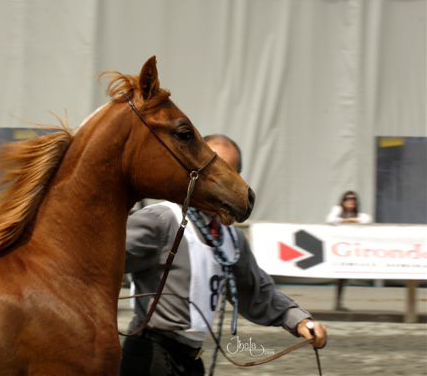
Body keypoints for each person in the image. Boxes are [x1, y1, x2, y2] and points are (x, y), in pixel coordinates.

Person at [120, 134, 327, 376]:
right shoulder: (163, 219)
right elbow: (103, 260)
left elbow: (257, 291)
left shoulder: (231, 240)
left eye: (228, 171)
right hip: (150, 356)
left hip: (191, 360)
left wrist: (300, 321)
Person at [325, 190, 372, 311]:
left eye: (353, 199)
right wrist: (347, 220)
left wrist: (349, 220)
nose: (351, 201)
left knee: (344, 276)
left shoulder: (359, 214)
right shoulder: (337, 210)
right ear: (343, 201)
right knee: (340, 276)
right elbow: (330, 219)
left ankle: (340, 302)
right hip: (337, 248)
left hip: (352, 250)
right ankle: (338, 302)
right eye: (348, 199)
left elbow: (366, 219)